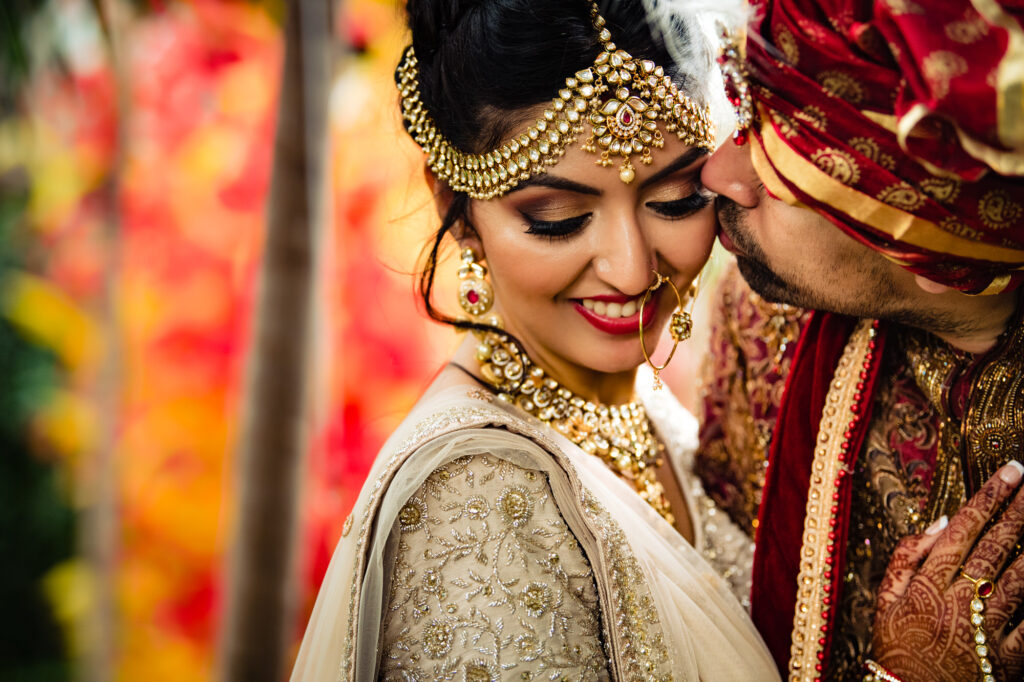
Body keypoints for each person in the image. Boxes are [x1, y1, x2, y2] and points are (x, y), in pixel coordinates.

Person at [291, 1, 778, 679]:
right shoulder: (478, 503)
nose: (632, 269)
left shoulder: (637, 403)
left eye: (674, 201)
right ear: (453, 211)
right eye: (559, 218)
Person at [689, 0, 1024, 679]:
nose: (717, 175)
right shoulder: (760, 325)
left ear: (940, 247)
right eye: (743, 115)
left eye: (779, 172)